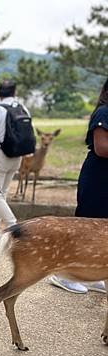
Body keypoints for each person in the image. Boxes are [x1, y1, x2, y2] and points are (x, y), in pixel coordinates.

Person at [48, 77, 108, 295]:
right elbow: (102, 148)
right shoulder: (103, 113)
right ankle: (64, 274)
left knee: (103, 230)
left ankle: (93, 274)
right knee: (85, 227)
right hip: (98, 178)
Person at [0, 80, 30, 240]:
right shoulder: (23, 108)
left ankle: (14, 227)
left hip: (0, 157)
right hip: (17, 157)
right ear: (14, 93)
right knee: (1, 192)